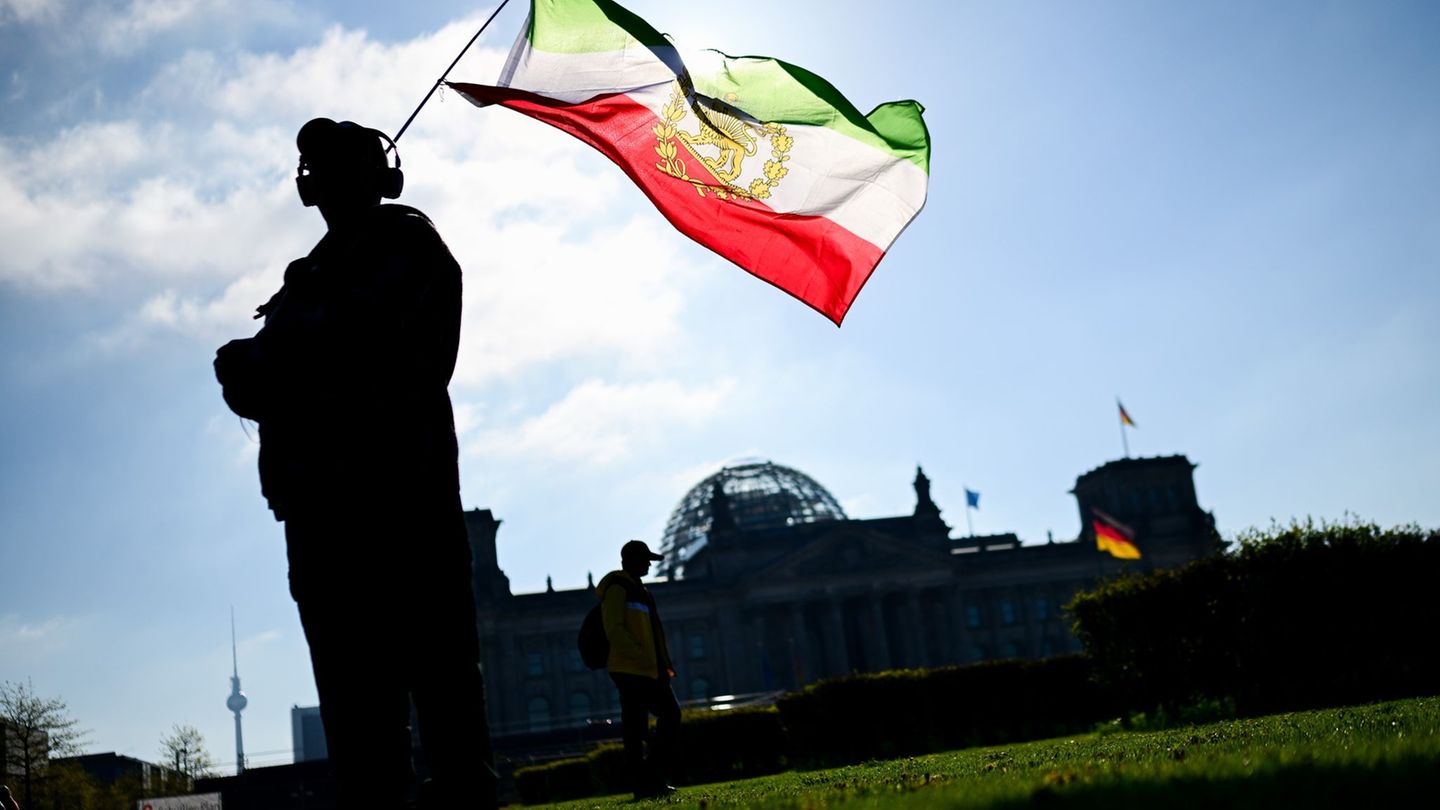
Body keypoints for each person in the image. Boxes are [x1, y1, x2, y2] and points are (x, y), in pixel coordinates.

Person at [214, 118, 495, 809]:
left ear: (380, 176)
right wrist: (258, 365)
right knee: (355, 712)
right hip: (320, 518)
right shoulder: (306, 281)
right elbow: (262, 378)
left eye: (341, 165)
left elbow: (374, 355)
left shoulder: (410, 247)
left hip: (403, 503)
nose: (326, 180)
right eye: (317, 168)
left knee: (442, 690)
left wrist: (267, 362)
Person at [596, 540, 681, 798]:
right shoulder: (617, 588)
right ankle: (645, 785)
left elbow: (654, 633)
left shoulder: (642, 591)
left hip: (649, 669)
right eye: (645, 560)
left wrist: (662, 664)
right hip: (629, 669)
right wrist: (641, 655)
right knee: (636, 728)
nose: (648, 564)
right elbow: (614, 629)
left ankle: (650, 778)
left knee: (669, 716)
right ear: (630, 560)